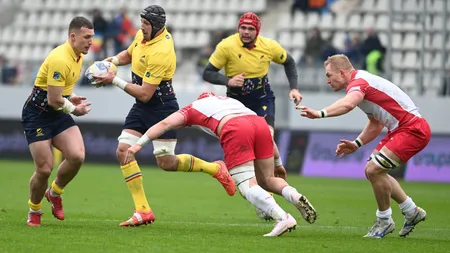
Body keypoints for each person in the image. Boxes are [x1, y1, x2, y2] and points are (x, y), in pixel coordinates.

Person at [93, 5, 234, 227]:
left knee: (166, 163)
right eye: (142, 22)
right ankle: (143, 210)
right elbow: (129, 54)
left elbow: (146, 94)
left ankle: (216, 168)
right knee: (123, 150)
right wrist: (112, 62)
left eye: (147, 24)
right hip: (142, 105)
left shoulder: (162, 51)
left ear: (157, 26)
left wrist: (114, 80)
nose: (142, 26)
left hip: (161, 105)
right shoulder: (142, 35)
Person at [124, 92, 317, 236]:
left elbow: (165, 124)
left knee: (245, 186)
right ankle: (295, 195)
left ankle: (283, 218)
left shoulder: (192, 108)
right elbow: (265, 130)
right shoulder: (231, 102)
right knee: (267, 180)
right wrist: (278, 163)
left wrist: (138, 145)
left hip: (235, 127)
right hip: (260, 124)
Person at [298, 54, 430, 238]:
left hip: (412, 129)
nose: (327, 80)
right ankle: (411, 211)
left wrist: (320, 113)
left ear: (342, 73)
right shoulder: (361, 83)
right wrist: (357, 143)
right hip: (400, 129)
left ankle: (384, 221)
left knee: (374, 169)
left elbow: (348, 104)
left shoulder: (359, 83)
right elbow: (376, 123)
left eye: (329, 75)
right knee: (372, 171)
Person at [202, 12, 303, 218]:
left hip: (261, 99)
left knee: (266, 135)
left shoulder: (269, 46)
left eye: (251, 29)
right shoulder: (226, 46)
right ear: (238, 28)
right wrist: (227, 81)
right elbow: (207, 72)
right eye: (243, 28)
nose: (246, 32)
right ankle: (263, 196)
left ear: (258, 31)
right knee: (250, 151)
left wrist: (294, 88)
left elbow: (289, 62)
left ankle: (277, 167)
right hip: (236, 103)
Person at [21, 17, 94, 226]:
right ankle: (34, 210)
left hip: (57, 112)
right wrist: (74, 108)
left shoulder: (77, 55)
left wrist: (71, 98)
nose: (90, 42)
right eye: (86, 37)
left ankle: (54, 193)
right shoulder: (60, 58)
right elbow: (53, 99)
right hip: (37, 114)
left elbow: (59, 95)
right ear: (73, 36)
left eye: (92, 37)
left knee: (77, 156)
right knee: (44, 169)